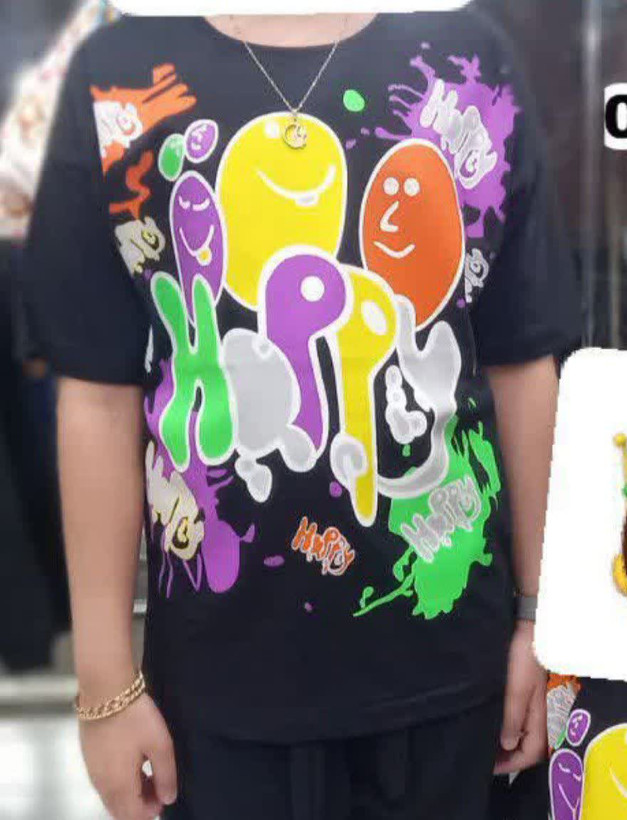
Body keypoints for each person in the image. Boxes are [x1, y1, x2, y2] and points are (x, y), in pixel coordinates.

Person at [22, 10, 581, 820]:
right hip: (217, 691)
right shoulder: (120, 74)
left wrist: (542, 620)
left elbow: (522, 360)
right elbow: (98, 395)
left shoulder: (466, 59)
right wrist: (105, 684)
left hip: (456, 667)